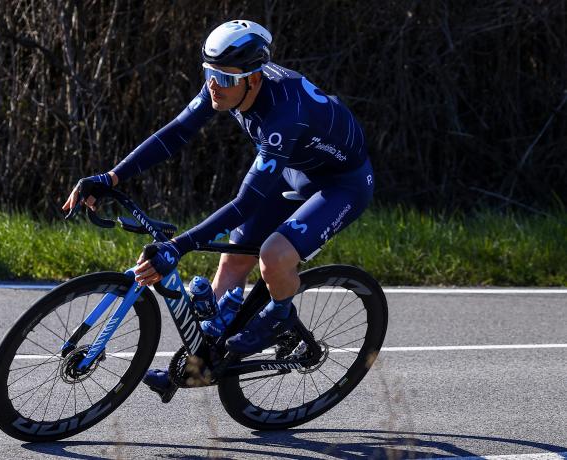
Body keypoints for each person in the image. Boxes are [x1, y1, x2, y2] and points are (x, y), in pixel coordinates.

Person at [63, 20, 374, 396]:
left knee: (274, 256)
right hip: (294, 169)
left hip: (342, 184)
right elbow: (176, 132)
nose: (214, 84)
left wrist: (176, 247)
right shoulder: (228, 82)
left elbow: (245, 204)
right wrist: (111, 177)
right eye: (209, 73)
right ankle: (198, 367)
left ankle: (279, 315)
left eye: (224, 78)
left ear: (253, 80)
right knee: (231, 263)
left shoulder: (283, 116)